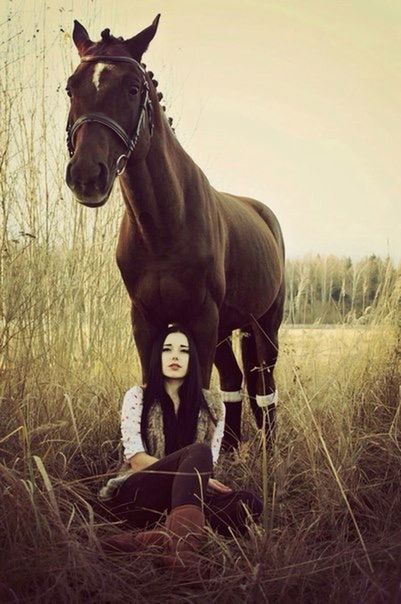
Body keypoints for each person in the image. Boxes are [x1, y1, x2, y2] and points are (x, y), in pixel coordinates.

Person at [99, 324, 262, 571]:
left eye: (183, 351)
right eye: (167, 349)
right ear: (157, 356)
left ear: (193, 359)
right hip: (140, 492)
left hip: (183, 499)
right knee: (199, 451)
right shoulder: (137, 397)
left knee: (249, 504)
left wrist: (198, 479)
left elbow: (209, 466)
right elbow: (137, 460)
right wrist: (197, 476)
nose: (175, 356)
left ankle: (153, 538)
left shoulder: (214, 406)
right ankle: (184, 552)